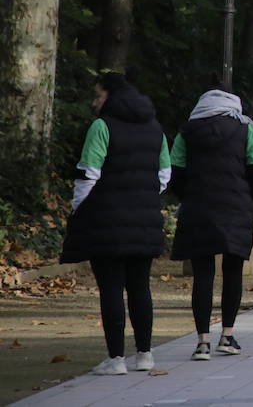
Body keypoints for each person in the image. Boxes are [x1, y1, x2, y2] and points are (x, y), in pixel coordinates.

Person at [60, 71, 170, 376]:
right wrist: (143, 198)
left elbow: (88, 174)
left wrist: (80, 209)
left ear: (111, 95)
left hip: (107, 218)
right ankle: (145, 355)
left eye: (98, 95)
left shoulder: (102, 126)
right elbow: (164, 176)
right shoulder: (155, 129)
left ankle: (116, 359)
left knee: (111, 287)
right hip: (146, 218)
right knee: (140, 287)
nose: (95, 103)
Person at [169, 76, 253, 361]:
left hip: (198, 207)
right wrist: (246, 194)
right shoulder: (245, 128)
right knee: (233, 272)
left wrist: (187, 195)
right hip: (236, 206)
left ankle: (202, 342)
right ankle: (227, 335)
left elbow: (175, 169)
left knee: (203, 275)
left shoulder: (187, 131)